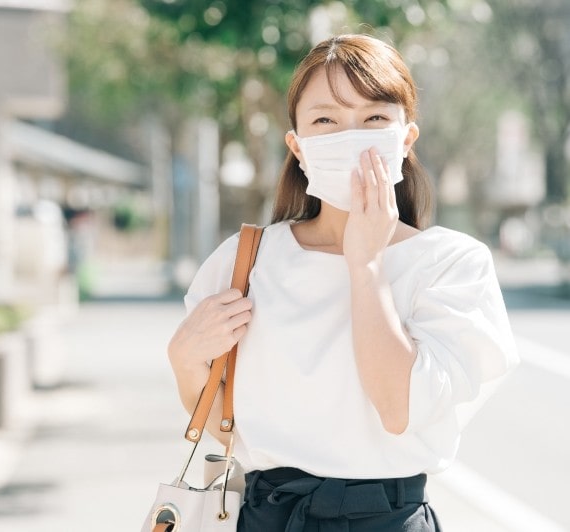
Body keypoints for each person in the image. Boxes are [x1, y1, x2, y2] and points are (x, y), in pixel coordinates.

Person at [167, 34, 519, 531]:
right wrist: (183, 361)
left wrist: (367, 266)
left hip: (386, 520)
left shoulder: (451, 264)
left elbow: (399, 409)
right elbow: (224, 427)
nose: (350, 136)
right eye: (325, 120)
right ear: (299, 146)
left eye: (374, 118)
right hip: (268, 516)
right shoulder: (248, 260)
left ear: (406, 138)